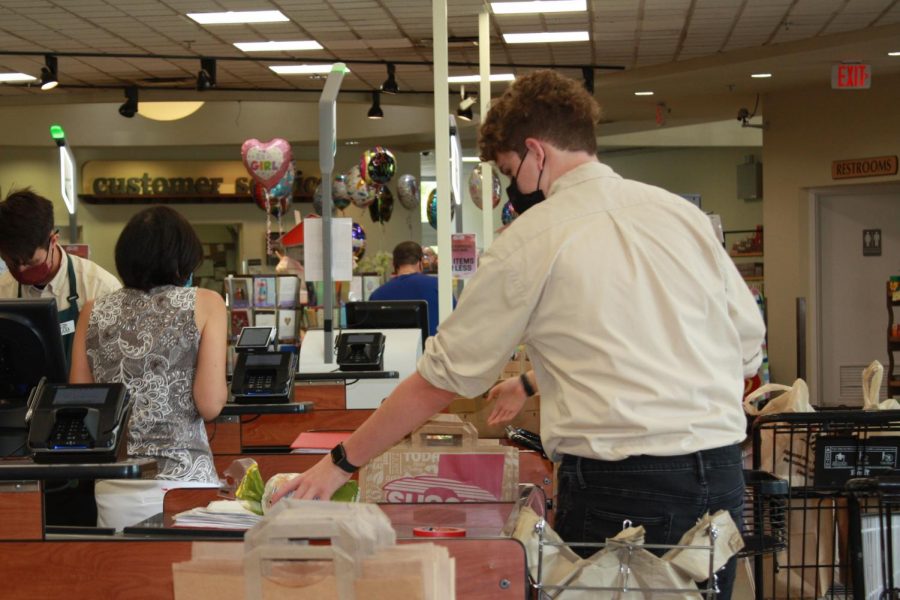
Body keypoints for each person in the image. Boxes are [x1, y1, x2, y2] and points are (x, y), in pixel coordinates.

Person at [272, 70, 765, 599]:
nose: (514, 187)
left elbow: (442, 378)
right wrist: (535, 382)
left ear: (536, 152)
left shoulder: (534, 236)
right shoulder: (679, 216)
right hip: (721, 479)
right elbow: (745, 347)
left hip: (622, 490)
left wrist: (339, 464)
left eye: (510, 170)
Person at [70, 206, 228, 530]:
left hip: (116, 486)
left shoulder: (93, 311)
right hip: (185, 482)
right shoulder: (207, 302)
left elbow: (81, 405)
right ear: (185, 257)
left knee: (126, 578)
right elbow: (210, 405)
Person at [0, 188, 121, 366]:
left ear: (54, 240)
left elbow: (115, 362)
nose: (21, 269)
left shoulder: (100, 287)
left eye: (31, 262)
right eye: (11, 263)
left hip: (81, 394)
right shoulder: (3, 290)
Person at [369, 241, 454, 337]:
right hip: (432, 350)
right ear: (420, 262)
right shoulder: (439, 286)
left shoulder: (377, 294)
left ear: (394, 264)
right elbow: (456, 320)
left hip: (393, 350)